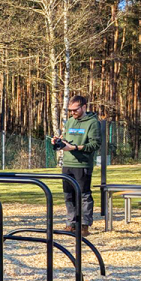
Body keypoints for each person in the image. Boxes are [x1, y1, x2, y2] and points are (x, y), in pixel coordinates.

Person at [52, 95, 101, 237]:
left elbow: (95, 144)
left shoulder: (92, 123)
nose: (72, 113)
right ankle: (71, 223)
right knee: (68, 195)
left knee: (84, 195)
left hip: (82, 164)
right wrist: (59, 141)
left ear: (84, 107)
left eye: (75, 110)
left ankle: (84, 225)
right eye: (70, 110)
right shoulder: (69, 123)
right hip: (67, 164)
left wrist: (75, 147)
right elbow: (66, 139)